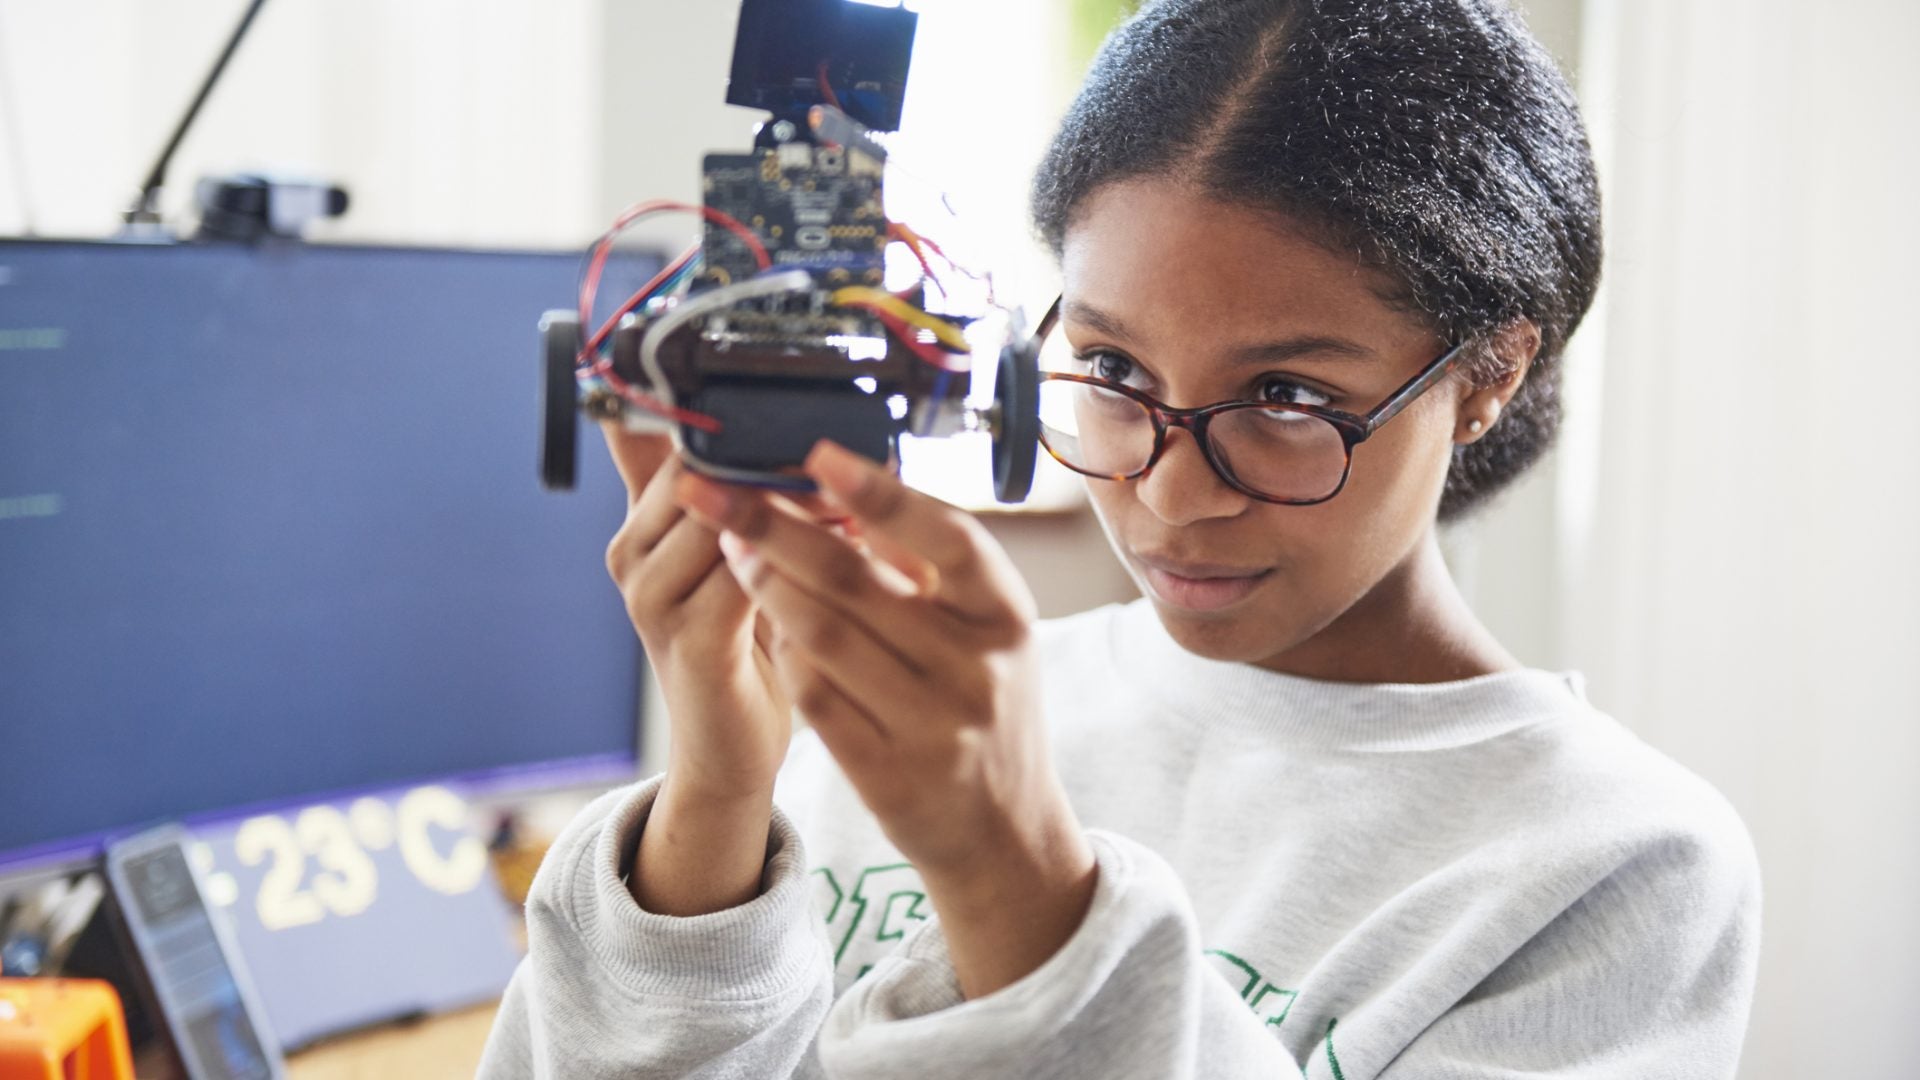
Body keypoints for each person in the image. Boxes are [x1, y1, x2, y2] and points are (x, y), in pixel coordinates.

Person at [479, 0, 1761, 1075]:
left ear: (1487, 373)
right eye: (1110, 368)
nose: (1172, 493)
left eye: (1287, 396)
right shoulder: (923, 714)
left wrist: (1013, 871)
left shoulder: (1615, 865)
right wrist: (714, 799)